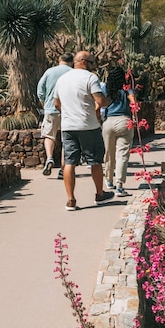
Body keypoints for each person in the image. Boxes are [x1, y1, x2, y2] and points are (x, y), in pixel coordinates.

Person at [54, 51, 113, 210]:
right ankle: (99, 194)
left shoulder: (62, 79)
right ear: (84, 62)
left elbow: (56, 103)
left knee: (69, 162)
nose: (94, 66)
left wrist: (68, 113)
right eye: (92, 62)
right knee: (95, 161)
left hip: (68, 127)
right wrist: (109, 100)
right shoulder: (90, 78)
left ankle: (70, 199)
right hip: (88, 126)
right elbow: (100, 100)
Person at [101, 63, 138, 197]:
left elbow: (99, 105)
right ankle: (119, 186)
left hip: (108, 122)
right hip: (124, 121)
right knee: (122, 154)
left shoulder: (107, 91)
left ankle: (108, 180)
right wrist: (135, 118)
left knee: (109, 153)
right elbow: (133, 103)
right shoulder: (127, 91)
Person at [37, 52, 74, 178]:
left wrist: (45, 104)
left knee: (49, 135)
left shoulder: (49, 72)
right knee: (66, 140)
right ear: (71, 61)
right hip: (68, 110)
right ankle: (63, 170)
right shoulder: (73, 73)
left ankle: (49, 158)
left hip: (50, 108)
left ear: (59, 60)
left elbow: (40, 90)